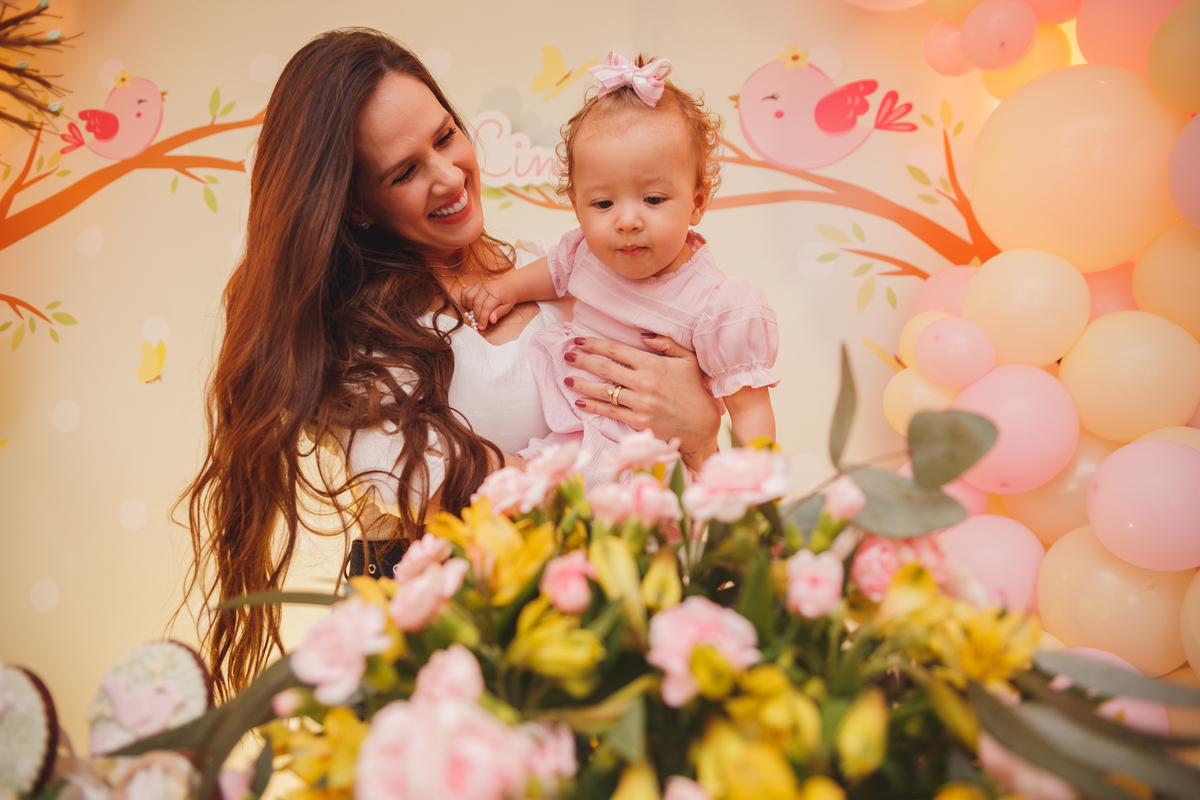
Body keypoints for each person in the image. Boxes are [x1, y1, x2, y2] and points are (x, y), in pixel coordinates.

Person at [180, 29, 723, 700]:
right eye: (404, 172)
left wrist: (700, 430)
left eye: (444, 137)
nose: (448, 177)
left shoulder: (556, 264)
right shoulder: (359, 346)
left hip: (626, 618)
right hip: (485, 667)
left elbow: (687, 417)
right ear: (354, 204)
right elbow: (461, 498)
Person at [461, 53, 779, 486]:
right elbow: (550, 271)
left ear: (697, 202)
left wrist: (752, 490)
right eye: (603, 204)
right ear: (577, 207)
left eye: (652, 199)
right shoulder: (584, 256)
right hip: (579, 432)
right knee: (530, 487)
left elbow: (752, 408)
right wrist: (505, 289)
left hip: (655, 461)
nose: (626, 221)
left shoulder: (717, 303)